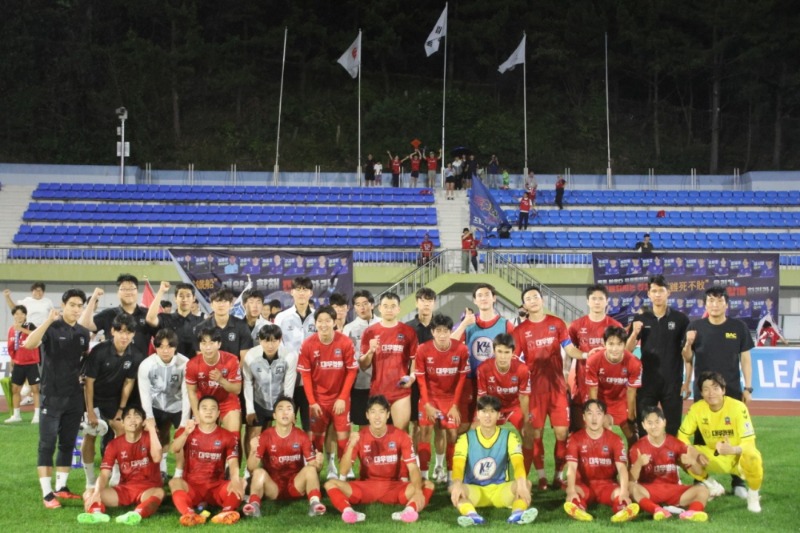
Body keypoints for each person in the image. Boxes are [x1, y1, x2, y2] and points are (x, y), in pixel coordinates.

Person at [24, 289, 91, 508]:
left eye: (79, 305)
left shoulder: (83, 332)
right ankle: (46, 493)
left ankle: (61, 488)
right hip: (51, 396)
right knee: (47, 444)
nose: (76, 309)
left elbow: (82, 359)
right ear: (63, 305)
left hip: (74, 397)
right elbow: (30, 344)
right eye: (72, 304)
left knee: (68, 443)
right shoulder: (51, 327)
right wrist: (47, 321)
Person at [324, 395, 435, 524]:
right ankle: (349, 512)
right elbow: (343, 471)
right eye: (373, 412)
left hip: (394, 488)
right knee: (330, 483)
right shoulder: (359, 436)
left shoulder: (401, 435)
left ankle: (409, 511)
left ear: (388, 415)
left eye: (381, 412)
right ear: (367, 415)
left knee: (428, 485)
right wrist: (351, 446)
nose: (377, 417)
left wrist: (417, 491)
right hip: (365, 488)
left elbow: (413, 467)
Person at [513, 285, 582, 489]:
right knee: (536, 435)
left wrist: (587, 354)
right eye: (528, 298)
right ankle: (542, 477)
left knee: (562, 434)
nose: (533, 300)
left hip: (557, 389)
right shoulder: (520, 331)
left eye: (536, 296)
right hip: (534, 391)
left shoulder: (557, 323)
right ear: (524, 305)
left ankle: (558, 476)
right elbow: (515, 360)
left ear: (542, 300)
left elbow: (570, 349)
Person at [678, 372, 764, 513]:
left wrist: (733, 450)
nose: (711, 393)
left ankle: (753, 495)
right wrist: (694, 453)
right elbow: (681, 436)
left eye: (715, 388)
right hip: (714, 455)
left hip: (737, 457)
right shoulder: (697, 409)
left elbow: (749, 443)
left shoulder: (738, 407)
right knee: (681, 453)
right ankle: (712, 485)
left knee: (753, 456)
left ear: (723, 390)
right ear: (701, 393)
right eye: (706, 389)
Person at [449, 395, 538, 527]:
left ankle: (517, 514)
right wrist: (457, 483)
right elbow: (458, 466)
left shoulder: (509, 437)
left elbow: (518, 463)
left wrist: (521, 483)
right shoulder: (465, 439)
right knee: (454, 488)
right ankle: (472, 516)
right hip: (475, 490)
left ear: (498, 415)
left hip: (500, 490)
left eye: (492, 412)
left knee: (527, 483)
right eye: (484, 411)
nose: (487, 416)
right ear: (478, 415)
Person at [82, 314, 146, 492]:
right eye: (121, 332)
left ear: (133, 334)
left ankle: (117, 472)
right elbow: (89, 383)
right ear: (112, 332)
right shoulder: (99, 351)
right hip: (92, 398)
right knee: (91, 433)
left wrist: (121, 410)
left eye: (129, 332)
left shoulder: (136, 354)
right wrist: (90, 410)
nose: (125, 336)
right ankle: (90, 478)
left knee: (122, 430)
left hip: (113, 400)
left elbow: (128, 383)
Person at [626, 275, 691, 436]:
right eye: (653, 291)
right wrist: (634, 333)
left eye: (661, 290)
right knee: (645, 428)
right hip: (647, 382)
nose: (657, 294)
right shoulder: (641, 318)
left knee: (673, 428)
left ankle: (670, 461)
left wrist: (687, 382)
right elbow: (627, 350)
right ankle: (647, 461)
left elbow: (688, 356)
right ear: (648, 294)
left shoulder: (681, 319)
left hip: (672, 383)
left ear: (668, 292)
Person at [77, 407, 165, 525]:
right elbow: (104, 474)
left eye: (137, 416)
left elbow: (157, 457)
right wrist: (97, 493)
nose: (132, 420)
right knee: (89, 493)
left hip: (148, 489)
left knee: (159, 492)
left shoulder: (150, 437)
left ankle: (136, 514)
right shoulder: (114, 444)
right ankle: (97, 514)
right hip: (125, 490)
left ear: (143, 422)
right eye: (128, 417)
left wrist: (152, 430)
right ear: (122, 423)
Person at [298, 306, 358, 478]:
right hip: (318, 401)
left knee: (342, 435)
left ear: (334, 322)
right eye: (320, 321)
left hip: (340, 399)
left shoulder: (345, 342)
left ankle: (345, 470)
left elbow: (352, 371)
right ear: (315, 323)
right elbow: (306, 375)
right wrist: (312, 402)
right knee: (316, 438)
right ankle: (322, 469)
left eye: (327, 321)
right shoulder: (308, 344)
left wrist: (342, 397)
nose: (323, 325)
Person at [243, 396, 326, 518]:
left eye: (289, 409)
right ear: (275, 415)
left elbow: (315, 467)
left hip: (296, 485)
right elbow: (251, 468)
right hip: (273, 487)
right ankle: (254, 506)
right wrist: (252, 451)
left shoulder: (302, 436)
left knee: (311, 470)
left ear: (293, 415)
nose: (285, 412)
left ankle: (315, 504)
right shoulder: (266, 436)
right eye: (280, 409)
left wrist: (319, 462)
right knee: (259, 472)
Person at [168, 396, 244, 526]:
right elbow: (174, 449)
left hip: (216, 487)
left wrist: (236, 479)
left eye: (213, 409)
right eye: (204, 408)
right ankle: (189, 514)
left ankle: (225, 513)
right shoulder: (186, 432)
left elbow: (233, 462)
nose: (208, 412)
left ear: (218, 414)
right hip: (192, 487)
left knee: (241, 482)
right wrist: (186, 433)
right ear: (197, 412)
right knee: (174, 482)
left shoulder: (228, 436)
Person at [563, 399, 640, 523]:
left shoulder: (615, 439)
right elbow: (571, 468)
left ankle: (622, 511)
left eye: (598, 414)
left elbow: (622, 468)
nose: (594, 418)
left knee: (620, 493)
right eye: (590, 414)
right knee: (574, 492)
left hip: (607, 485)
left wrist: (624, 492)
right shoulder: (575, 439)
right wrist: (571, 490)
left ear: (604, 417)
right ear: (583, 417)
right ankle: (578, 509)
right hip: (584, 485)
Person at [628, 406, 710, 522]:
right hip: (650, 491)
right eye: (649, 423)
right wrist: (639, 463)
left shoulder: (675, 443)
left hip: (673, 489)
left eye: (657, 422)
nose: (654, 426)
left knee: (703, 490)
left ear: (664, 422)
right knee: (631, 487)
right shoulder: (637, 447)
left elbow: (699, 472)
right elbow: (631, 480)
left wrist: (692, 462)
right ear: (643, 425)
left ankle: (692, 513)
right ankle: (657, 510)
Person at [414, 314, 469, 484]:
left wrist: (455, 405)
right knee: (425, 432)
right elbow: (421, 380)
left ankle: (449, 474)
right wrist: (427, 404)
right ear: (432, 332)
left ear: (450, 331)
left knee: (451, 434)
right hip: (429, 397)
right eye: (438, 331)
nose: (443, 335)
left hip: (450, 398)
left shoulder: (461, 349)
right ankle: (423, 476)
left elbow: (461, 380)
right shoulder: (422, 349)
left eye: (446, 331)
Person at [683, 286, 754, 403]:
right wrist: (688, 344)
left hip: (731, 390)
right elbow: (687, 358)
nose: (715, 305)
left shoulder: (739, 327)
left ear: (726, 305)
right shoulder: (694, 327)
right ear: (705, 305)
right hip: (704, 390)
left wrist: (747, 388)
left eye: (720, 301)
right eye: (711, 301)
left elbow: (745, 359)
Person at [360, 292, 418, 431]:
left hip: (401, 391)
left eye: (393, 306)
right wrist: (370, 351)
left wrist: (412, 377)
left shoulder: (408, 331)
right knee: (377, 433)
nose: (389, 309)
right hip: (378, 390)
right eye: (385, 306)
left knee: (402, 433)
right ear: (379, 308)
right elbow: (363, 365)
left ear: (399, 309)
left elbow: (414, 359)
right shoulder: (370, 332)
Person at [137, 328, 190, 481]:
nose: (165, 350)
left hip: (179, 405)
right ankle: (160, 469)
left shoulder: (185, 363)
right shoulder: (146, 365)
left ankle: (180, 474)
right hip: (156, 405)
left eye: (169, 346)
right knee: (159, 436)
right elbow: (144, 392)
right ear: (156, 347)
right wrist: (149, 417)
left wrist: (184, 420)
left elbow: (187, 393)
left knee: (182, 437)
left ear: (175, 347)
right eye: (161, 347)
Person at [568, 284, 623, 431]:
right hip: (582, 382)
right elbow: (570, 350)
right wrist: (585, 355)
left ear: (607, 302)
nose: (597, 302)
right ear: (587, 301)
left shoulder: (615, 326)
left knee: (604, 427)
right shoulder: (576, 326)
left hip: (607, 386)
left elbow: (622, 355)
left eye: (601, 299)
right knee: (578, 429)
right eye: (593, 299)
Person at [242, 324, 297, 452]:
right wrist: (250, 409)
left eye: (274, 341)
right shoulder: (250, 356)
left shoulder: (289, 356)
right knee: (253, 435)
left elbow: (289, 386)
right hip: (259, 401)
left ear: (280, 340)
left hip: (279, 400)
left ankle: (269, 465)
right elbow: (248, 382)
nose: (270, 345)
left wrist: (288, 409)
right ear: (260, 340)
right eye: (266, 341)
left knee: (274, 435)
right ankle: (249, 470)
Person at [585, 326, 642, 446]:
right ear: (604, 343)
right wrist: (596, 414)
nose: (615, 349)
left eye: (619, 344)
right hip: (602, 401)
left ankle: (631, 465)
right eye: (611, 344)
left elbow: (631, 392)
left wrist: (631, 419)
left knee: (634, 438)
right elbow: (593, 391)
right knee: (604, 433)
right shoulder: (593, 360)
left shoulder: (634, 363)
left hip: (622, 402)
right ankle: (607, 463)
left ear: (624, 345)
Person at [274, 276, 316, 431]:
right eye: (298, 289)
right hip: (288, 378)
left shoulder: (318, 317)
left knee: (310, 425)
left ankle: (309, 454)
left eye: (305, 289)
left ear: (311, 293)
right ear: (291, 292)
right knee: (286, 423)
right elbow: (278, 346)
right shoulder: (282, 317)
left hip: (312, 379)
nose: (301, 293)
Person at [185, 328, 243, 433]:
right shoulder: (192, 364)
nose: (208, 347)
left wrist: (221, 380)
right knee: (199, 437)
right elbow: (191, 391)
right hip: (204, 402)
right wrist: (197, 415)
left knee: (234, 437)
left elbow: (237, 389)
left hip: (227, 401)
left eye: (211, 343)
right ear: (199, 345)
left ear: (219, 344)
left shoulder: (231, 360)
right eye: (203, 343)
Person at [81, 274, 153, 354]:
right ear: (118, 293)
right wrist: (93, 298)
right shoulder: (108, 314)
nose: (128, 292)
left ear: (137, 291)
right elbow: (85, 325)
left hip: (141, 364)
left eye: (132, 288)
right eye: (124, 289)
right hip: (113, 364)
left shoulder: (148, 314)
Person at [475, 334, 531, 434]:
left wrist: (526, 421)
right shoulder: (483, 369)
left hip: (514, 407)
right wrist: (482, 417)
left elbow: (523, 397)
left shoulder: (522, 369)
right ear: (493, 351)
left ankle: (521, 449)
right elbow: (481, 397)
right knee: (474, 430)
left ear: (513, 353)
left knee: (529, 433)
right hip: (492, 407)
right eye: (499, 351)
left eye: (507, 352)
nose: (503, 357)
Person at [343, 290, 380, 428]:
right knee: (363, 423)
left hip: (383, 383)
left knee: (383, 422)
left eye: (365, 303)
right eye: (358, 305)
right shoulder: (349, 329)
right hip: (361, 382)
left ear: (372, 305)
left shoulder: (383, 324)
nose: (362, 307)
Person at [192, 288, 253, 359]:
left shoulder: (242, 326)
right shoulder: (200, 328)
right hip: (210, 369)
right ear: (211, 305)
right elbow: (201, 356)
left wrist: (235, 370)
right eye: (217, 301)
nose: (221, 305)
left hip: (236, 368)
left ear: (231, 305)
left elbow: (244, 358)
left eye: (224, 301)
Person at [5, 304, 41, 424]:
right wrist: (12, 360)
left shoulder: (29, 325)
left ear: (25, 315)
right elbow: (12, 347)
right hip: (18, 363)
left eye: (21, 313)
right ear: (13, 316)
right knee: (15, 389)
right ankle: (16, 415)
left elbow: (36, 335)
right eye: (16, 314)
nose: (19, 316)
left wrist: (21, 329)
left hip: (31, 362)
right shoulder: (11, 329)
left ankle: (37, 415)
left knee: (35, 389)